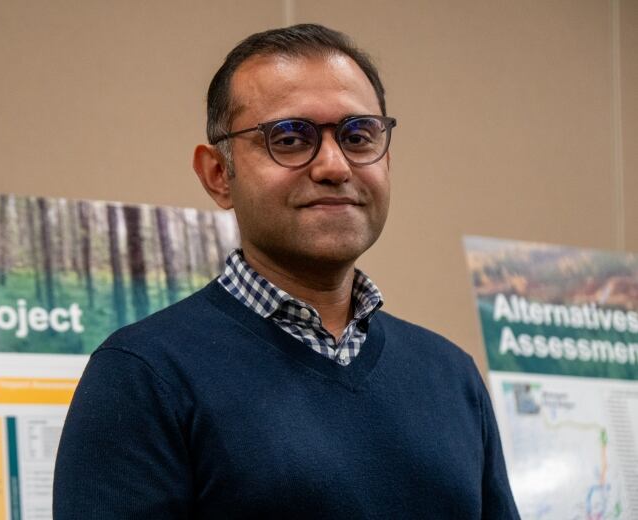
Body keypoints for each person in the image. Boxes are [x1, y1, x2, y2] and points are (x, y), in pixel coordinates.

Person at [53, 24, 519, 519]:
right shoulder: (142, 376)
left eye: (359, 135)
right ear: (218, 175)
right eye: (290, 138)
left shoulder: (451, 376)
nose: (335, 165)